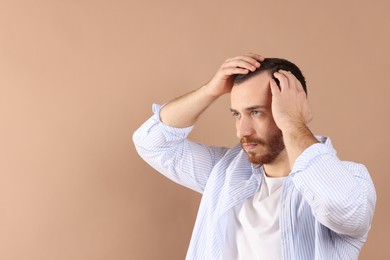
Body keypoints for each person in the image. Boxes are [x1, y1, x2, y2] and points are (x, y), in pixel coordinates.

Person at [132, 53, 376, 259]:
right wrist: (210, 91)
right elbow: (152, 143)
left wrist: (293, 123)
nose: (242, 131)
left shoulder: (353, 181)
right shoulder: (225, 173)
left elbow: (342, 208)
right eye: (237, 114)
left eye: (256, 112)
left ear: (293, 107)